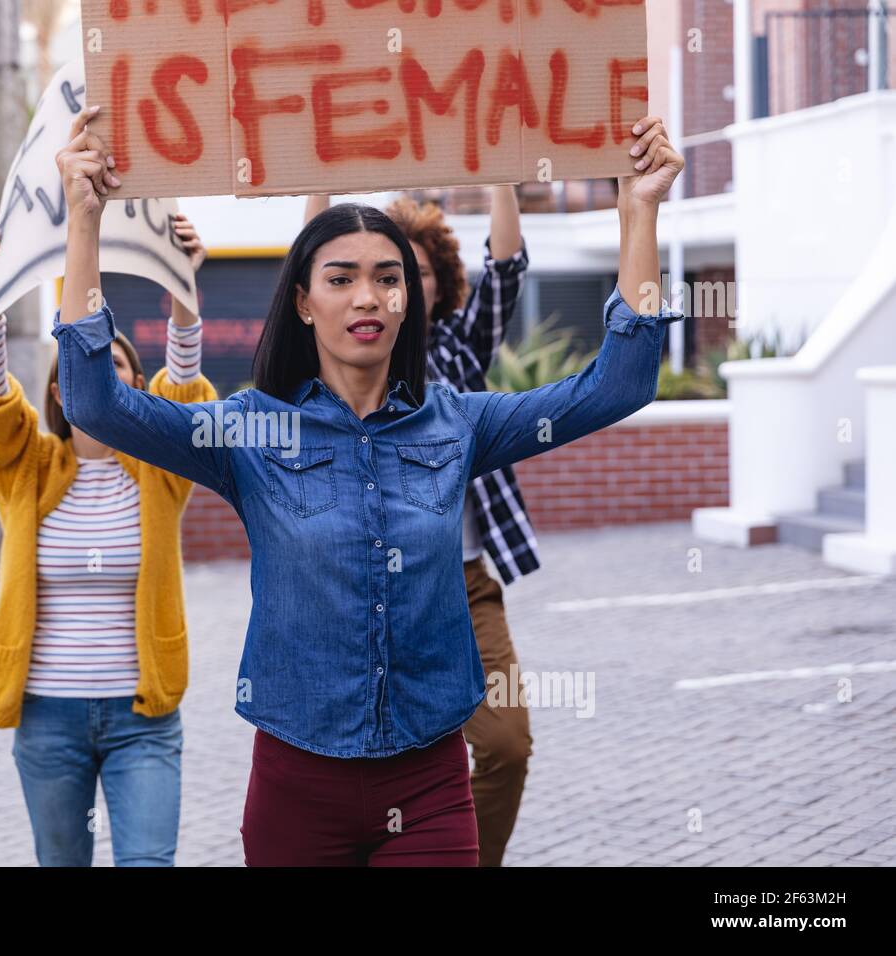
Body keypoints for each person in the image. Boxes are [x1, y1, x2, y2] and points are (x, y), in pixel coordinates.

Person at [51, 104, 683, 866]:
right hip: (296, 782)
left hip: (427, 784)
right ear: (303, 301)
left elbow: (619, 384)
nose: (366, 297)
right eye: (341, 278)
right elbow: (93, 402)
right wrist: (83, 226)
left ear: (408, 300)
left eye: (387, 279)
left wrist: (638, 212)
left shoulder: (457, 424)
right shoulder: (252, 433)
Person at [0, 213, 216, 866]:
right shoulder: (28, 467)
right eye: (94, 366)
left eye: (123, 367)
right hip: (49, 717)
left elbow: (185, 386)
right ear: (61, 390)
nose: (110, 376)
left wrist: (185, 288)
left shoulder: (157, 465)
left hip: (144, 719)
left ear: (137, 384)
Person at [304, 188, 535, 865]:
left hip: (463, 587)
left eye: (410, 273)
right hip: (359, 591)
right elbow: (310, 272)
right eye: (365, 276)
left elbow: (508, 268)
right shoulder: (333, 364)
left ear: (435, 284)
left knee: (505, 744)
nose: (385, 292)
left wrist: (502, 172)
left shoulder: (458, 351)